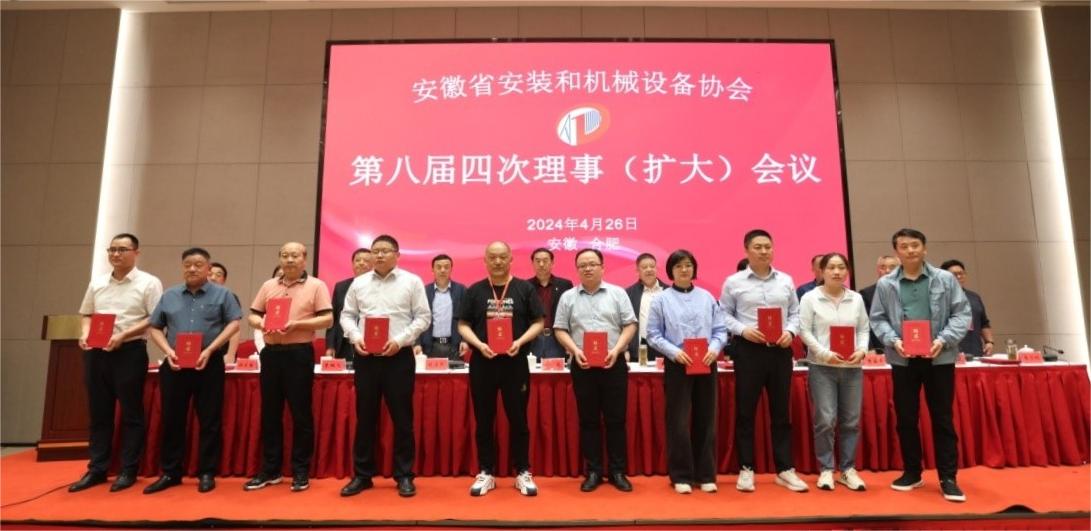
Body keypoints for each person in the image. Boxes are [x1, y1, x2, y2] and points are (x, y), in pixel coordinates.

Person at [870, 228, 971, 502]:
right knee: (906, 418)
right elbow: (877, 318)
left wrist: (943, 340)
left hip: (939, 358)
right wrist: (893, 341)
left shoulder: (945, 279)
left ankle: (948, 477)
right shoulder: (886, 284)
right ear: (896, 252)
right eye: (904, 246)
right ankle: (912, 472)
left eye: (915, 245)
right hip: (903, 360)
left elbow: (962, 314)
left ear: (924, 248)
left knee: (942, 419)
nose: (910, 250)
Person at [70, 233, 163, 493]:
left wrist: (123, 335)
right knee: (99, 413)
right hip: (96, 352)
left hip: (129, 351)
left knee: (132, 413)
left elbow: (154, 317)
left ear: (136, 253)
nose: (116, 254)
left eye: (122, 249)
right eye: (112, 250)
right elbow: (87, 314)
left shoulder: (149, 282)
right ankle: (97, 469)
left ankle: (128, 469)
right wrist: (85, 333)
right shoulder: (98, 282)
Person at [339, 235, 431, 498]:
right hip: (366, 357)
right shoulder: (359, 283)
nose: (378, 255)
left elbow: (423, 317)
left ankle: (404, 475)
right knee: (365, 417)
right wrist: (356, 338)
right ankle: (362, 475)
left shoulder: (411, 281)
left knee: (402, 419)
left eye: (385, 251)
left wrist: (400, 340)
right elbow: (347, 315)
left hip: (398, 357)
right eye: (375, 251)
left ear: (397, 255)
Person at [144, 248, 242, 494]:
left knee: (210, 420)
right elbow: (155, 327)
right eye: (187, 264)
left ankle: (206, 472)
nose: (192, 269)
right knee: (172, 419)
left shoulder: (223, 294)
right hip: (175, 364)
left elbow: (234, 323)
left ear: (208, 268)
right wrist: (168, 351)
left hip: (209, 363)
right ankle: (171, 472)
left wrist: (211, 349)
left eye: (198, 264)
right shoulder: (169, 295)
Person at [720, 229, 807, 493]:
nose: (763, 251)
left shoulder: (786, 280)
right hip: (749, 351)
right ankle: (746, 468)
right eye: (757, 247)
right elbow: (723, 315)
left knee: (781, 412)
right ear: (746, 250)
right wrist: (743, 330)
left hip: (780, 351)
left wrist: (790, 332)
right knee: (746, 412)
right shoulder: (733, 282)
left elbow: (796, 313)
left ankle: (784, 469)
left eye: (768, 246)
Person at [244, 242, 332, 493]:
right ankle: (270, 470)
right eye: (285, 255)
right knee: (270, 413)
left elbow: (327, 319)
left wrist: (297, 324)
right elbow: (252, 315)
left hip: (298, 354)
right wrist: (262, 323)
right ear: (280, 259)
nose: (289, 260)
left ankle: (300, 470)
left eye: (294, 255)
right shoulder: (268, 285)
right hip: (271, 354)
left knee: (300, 413)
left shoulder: (316, 285)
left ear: (304, 259)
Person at [458, 242, 544, 497]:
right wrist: (478, 345)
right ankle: (486, 472)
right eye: (492, 257)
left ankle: (523, 472)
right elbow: (463, 325)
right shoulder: (474, 290)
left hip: (515, 363)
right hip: (483, 363)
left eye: (502, 257)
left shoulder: (525, 288)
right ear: (485, 260)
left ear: (510, 260)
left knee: (518, 419)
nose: (497, 262)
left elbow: (538, 322)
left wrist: (520, 341)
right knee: (484, 420)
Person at [554, 249, 638, 493]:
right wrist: (574, 350)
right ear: (577, 269)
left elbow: (630, 324)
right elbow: (560, 329)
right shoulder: (568, 297)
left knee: (616, 419)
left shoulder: (618, 293)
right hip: (583, 365)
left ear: (602, 267)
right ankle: (593, 471)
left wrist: (617, 349)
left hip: (614, 363)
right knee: (588, 420)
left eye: (592, 264)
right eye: (582, 265)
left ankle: (617, 471)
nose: (588, 268)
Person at [647, 250, 727, 494]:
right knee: (678, 421)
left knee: (706, 418)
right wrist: (674, 352)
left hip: (706, 361)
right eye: (679, 266)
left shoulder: (707, 297)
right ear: (670, 271)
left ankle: (705, 474)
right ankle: (681, 475)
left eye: (689, 265)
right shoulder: (661, 300)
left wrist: (714, 349)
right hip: (678, 363)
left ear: (694, 269)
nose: (684, 270)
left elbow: (720, 330)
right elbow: (653, 334)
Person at [798, 253, 868, 492]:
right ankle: (826, 468)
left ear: (847, 271)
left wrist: (862, 350)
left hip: (852, 368)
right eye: (831, 267)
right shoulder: (810, 298)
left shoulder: (856, 299)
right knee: (825, 420)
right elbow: (804, 330)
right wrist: (823, 353)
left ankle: (848, 469)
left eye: (841, 267)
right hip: (822, 368)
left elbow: (863, 329)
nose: (837, 272)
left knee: (851, 421)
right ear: (822, 271)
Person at [415, 254, 468, 360]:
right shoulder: (424, 291)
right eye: (438, 267)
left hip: (455, 346)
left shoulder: (461, 290)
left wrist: (465, 340)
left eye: (446, 267)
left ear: (451, 269)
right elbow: (417, 317)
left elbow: (467, 317)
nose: (442, 270)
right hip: (429, 346)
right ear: (432, 270)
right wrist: (417, 343)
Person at [940, 260, 994, 358]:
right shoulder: (939, 298)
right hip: (948, 353)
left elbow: (984, 322)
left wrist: (989, 342)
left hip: (975, 351)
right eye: (954, 274)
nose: (959, 276)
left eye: (961, 273)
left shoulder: (974, 297)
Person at [526, 248, 573, 359]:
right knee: (531, 369)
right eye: (537, 261)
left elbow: (570, 313)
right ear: (532, 263)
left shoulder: (564, 285)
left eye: (545, 260)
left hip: (556, 339)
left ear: (552, 263)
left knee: (557, 370)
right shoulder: (525, 286)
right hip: (533, 339)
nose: (541, 264)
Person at [327, 248, 373, 360]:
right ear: (352, 264)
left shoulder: (378, 286)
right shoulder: (341, 286)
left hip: (368, 341)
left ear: (373, 265)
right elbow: (334, 318)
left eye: (366, 260)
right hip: (343, 343)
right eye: (358, 260)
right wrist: (330, 345)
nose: (361, 263)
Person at [625, 253, 667, 363]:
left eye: (652, 266)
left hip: (665, 347)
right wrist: (626, 350)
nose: (649, 270)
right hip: (640, 346)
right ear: (637, 271)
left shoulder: (669, 291)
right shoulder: (628, 293)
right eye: (644, 267)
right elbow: (624, 323)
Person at [858, 255, 900, 352]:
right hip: (879, 348)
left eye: (892, 267)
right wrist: (870, 349)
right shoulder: (866, 294)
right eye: (883, 267)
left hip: (904, 346)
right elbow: (865, 326)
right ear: (878, 270)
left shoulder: (907, 291)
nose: (887, 271)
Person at [208, 261, 240, 362]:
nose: (213, 278)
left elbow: (235, 327)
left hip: (222, 352)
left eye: (218, 275)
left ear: (224, 280)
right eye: (210, 274)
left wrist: (230, 354)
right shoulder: (195, 297)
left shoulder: (229, 297)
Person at [252, 265, 283, 354]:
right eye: (279, 275)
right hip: (268, 348)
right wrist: (263, 351)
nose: (282, 278)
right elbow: (256, 320)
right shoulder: (267, 295)